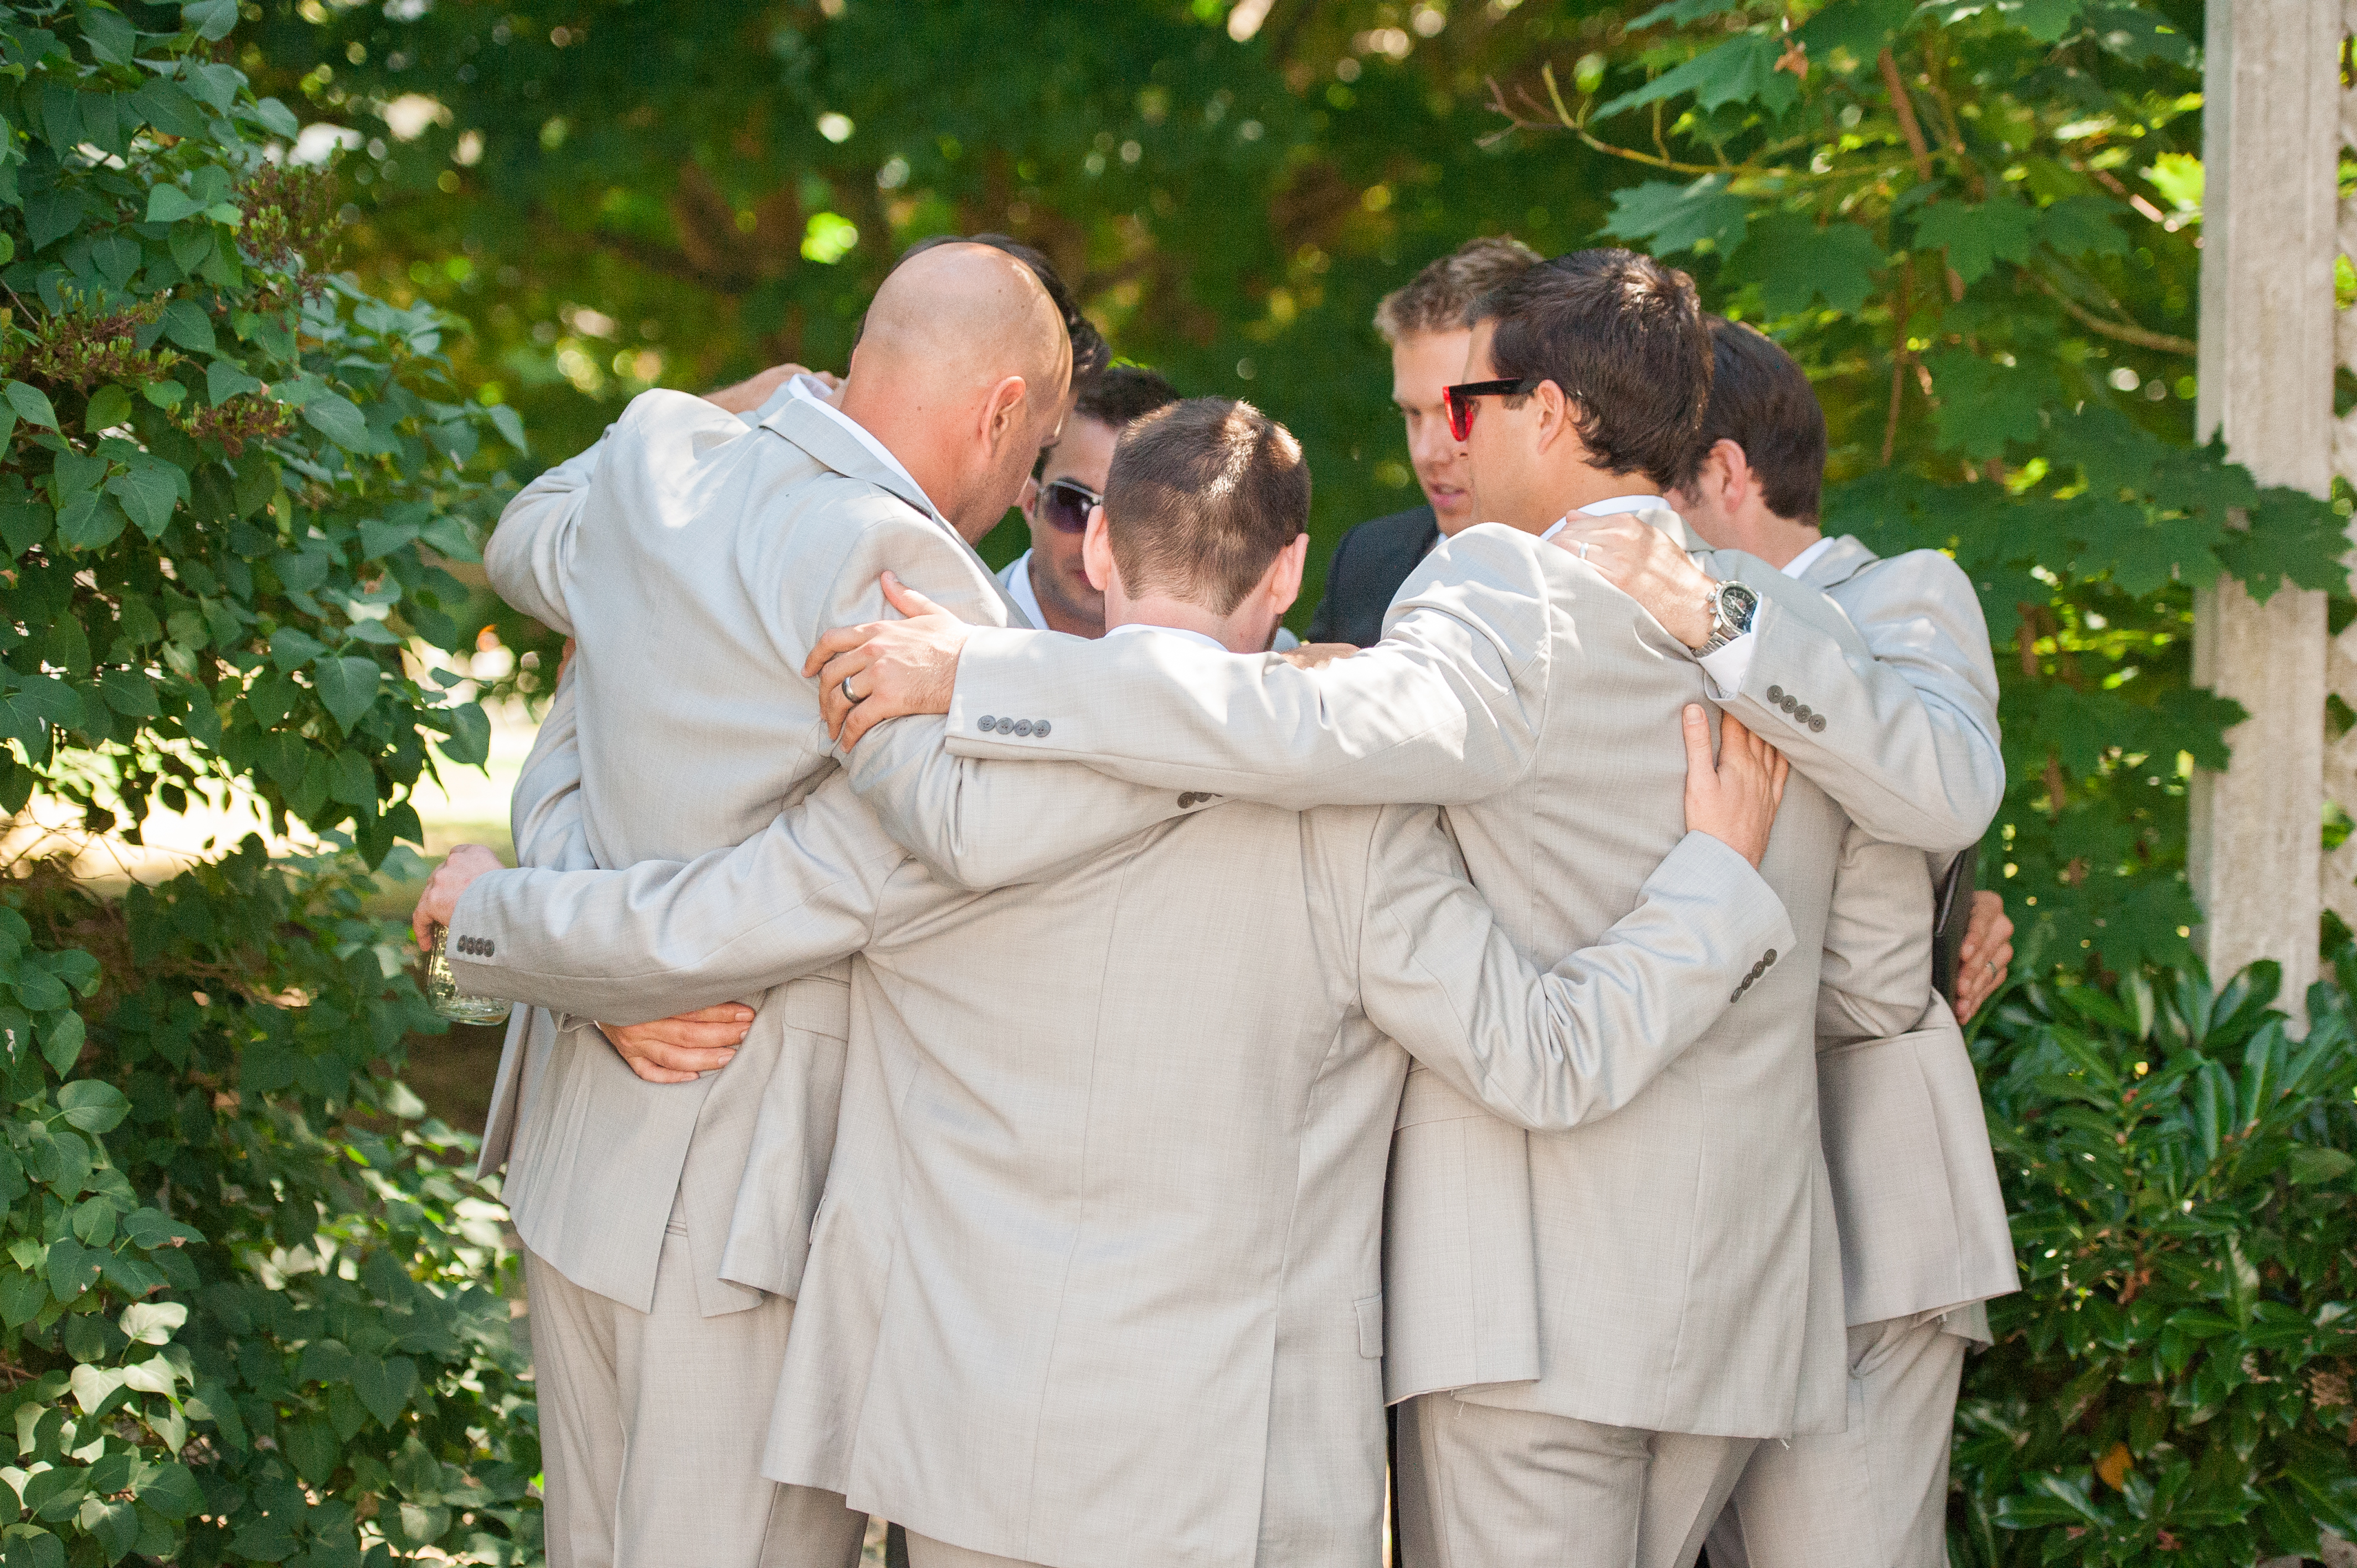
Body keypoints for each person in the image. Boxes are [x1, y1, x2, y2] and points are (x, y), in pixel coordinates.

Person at [419, 396, 1812, 1568]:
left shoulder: (937, 770)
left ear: (1092, 553)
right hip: (1237, 1478)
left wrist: (519, 932)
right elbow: (1548, 1060)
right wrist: (1715, 881)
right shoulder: (1356, 831)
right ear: (1288, 573)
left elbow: (721, 911)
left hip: (954, 1442)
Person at [803, 249, 1953, 1568]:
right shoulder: (1794, 640)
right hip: (1744, 1290)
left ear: (1553, 414)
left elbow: (1312, 733)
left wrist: (985, 677)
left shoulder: (1493, 589)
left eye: (1470, 404)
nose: (1446, 445)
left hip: (1525, 1304)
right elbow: (1871, 966)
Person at [441, 240, 1075, 1568]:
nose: (1026, 497)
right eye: (1042, 458)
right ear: (1002, 410)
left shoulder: (658, 459)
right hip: (740, 1199)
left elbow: (525, 549)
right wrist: (542, 944)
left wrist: (745, 401)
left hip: (583, 1154)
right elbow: (825, 882)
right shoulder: (908, 576)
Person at [1655, 318, 2020, 1568]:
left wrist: (1724, 616)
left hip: (1868, 1192)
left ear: (1719, 474)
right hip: (1694, 1193)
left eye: (1648, 474)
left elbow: (1941, 794)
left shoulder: (1903, 592)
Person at [1305, 235, 1537, 646]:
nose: (1428, 452)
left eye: (1460, 410)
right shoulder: (1365, 560)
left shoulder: (1621, 569)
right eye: (1412, 414)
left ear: (1545, 403)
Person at [999, 364, 1179, 637]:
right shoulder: (948, 631)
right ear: (1031, 504)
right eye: (1073, 503)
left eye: (1134, 514)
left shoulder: (1228, 660)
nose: (1100, 543)